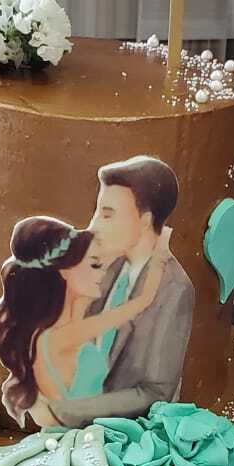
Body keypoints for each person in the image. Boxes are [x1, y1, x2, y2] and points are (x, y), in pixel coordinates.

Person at [46, 155, 195, 428]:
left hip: (113, 433)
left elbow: (155, 392)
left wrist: (66, 411)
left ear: (144, 221)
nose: (94, 226)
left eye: (107, 214)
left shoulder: (174, 289)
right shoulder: (103, 269)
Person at [0, 215, 170, 428]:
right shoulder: (58, 337)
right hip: (78, 438)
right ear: (64, 271)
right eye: (95, 265)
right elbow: (143, 301)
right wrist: (161, 247)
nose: (102, 272)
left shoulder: (60, 325)